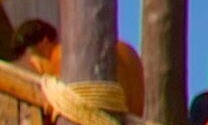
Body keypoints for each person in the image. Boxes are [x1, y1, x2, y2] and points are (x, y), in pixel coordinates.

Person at [13, 17, 148, 115]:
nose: (41, 73)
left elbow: (64, 97)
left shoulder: (64, 54)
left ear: (44, 43)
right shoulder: (126, 50)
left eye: (36, 65)